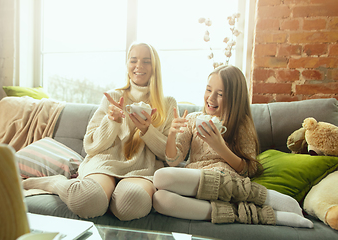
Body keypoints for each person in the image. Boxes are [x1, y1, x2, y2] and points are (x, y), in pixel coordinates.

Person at [23, 42, 177, 221]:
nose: (139, 66)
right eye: (133, 60)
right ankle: (55, 183)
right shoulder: (113, 97)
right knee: (87, 199)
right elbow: (90, 145)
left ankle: (110, 197)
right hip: (105, 162)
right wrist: (111, 121)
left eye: (146, 61)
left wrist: (147, 130)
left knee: (131, 204)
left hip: (141, 169)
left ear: (155, 66)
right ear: (127, 65)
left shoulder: (168, 103)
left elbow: (169, 156)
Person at [152, 65, 313, 228]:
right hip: (196, 182)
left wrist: (220, 146)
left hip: (224, 180)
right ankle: (254, 214)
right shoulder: (193, 119)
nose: (211, 98)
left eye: (220, 94)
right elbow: (173, 161)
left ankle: (256, 194)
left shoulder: (241, 124)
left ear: (234, 98)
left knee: (161, 177)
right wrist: (172, 134)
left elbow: (249, 169)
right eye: (208, 90)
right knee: (160, 200)